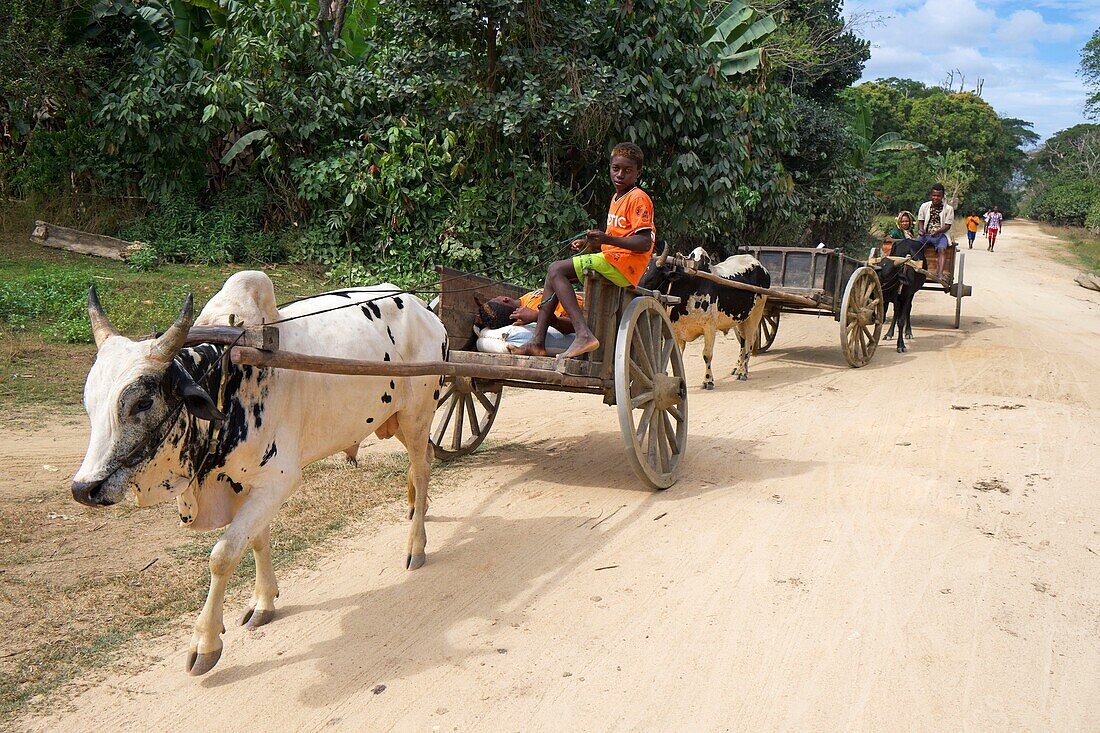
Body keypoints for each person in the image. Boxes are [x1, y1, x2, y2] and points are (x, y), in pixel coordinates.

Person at [514, 142, 655, 359]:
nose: (619, 175)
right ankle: (537, 342)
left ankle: (583, 334)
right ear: (609, 168)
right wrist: (590, 245)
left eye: (627, 171)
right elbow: (617, 239)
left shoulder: (638, 198)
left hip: (624, 266)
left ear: (638, 172)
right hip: (611, 259)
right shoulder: (616, 198)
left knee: (555, 269)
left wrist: (605, 238)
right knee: (553, 276)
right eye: (615, 168)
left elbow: (644, 242)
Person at [917, 183, 954, 280]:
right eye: (934, 195)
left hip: (940, 235)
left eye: (938, 196)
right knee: (916, 247)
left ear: (942, 196)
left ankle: (940, 274)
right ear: (931, 195)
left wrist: (937, 232)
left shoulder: (949, 209)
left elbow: (947, 226)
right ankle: (916, 270)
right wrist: (921, 230)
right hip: (925, 234)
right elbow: (920, 221)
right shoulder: (924, 206)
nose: (936, 198)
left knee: (942, 250)